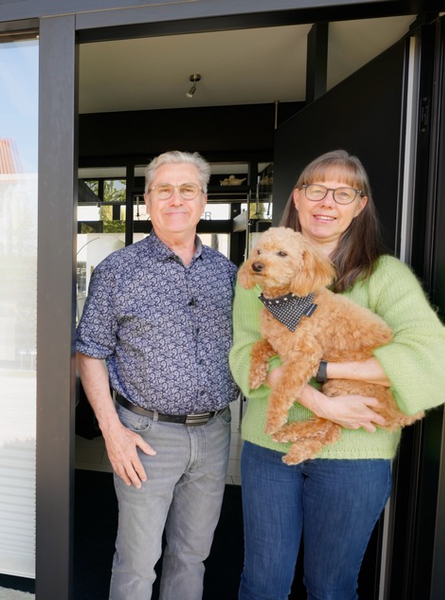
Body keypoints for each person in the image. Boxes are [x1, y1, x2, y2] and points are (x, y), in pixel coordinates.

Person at [229, 149, 445, 600]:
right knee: (262, 585)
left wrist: (326, 369)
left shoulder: (385, 275)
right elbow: (246, 352)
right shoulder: (260, 269)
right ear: (297, 197)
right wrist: (320, 401)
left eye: (343, 193)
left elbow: (431, 354)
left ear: (359, 205)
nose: (327, 202)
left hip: (356, 455)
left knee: (331, 589)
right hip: (269, 449)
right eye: (316, 189)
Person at [76, 150, 239, 600]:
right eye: (163, 190)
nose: (175, 199)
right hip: (145, 437)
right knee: (136, 563)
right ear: (147, 202)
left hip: (215, 433)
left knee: (192, 556)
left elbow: (273, 329)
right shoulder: (117, 271)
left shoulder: (229, 274)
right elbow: (89, 353)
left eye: (187, 189)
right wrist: (112, 432)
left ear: (203, 200)